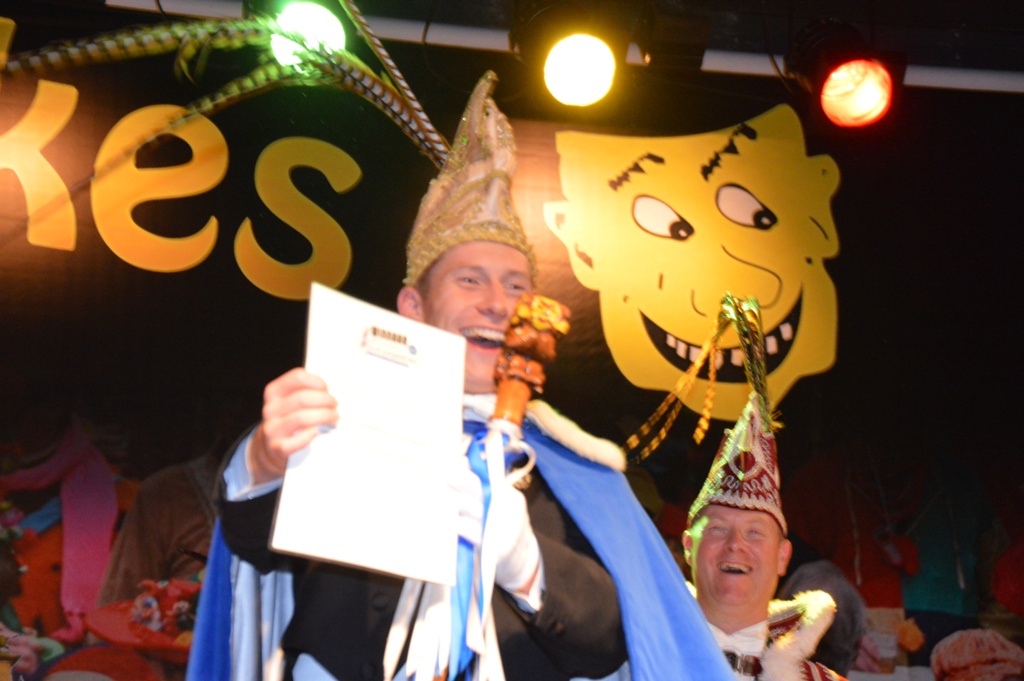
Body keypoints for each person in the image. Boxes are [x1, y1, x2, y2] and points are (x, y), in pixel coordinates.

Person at [186, 72, 733, 681]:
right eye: (470, 280)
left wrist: (527, 563)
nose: (497, 304)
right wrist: (265, 460)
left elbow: (623, 635)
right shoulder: (345, 416)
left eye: (516, 286)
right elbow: (254, 543)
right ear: (413, 308)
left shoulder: (580, 469)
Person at [682, 392, 848, 681]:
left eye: (754, 532)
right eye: (717, 528)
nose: (736, 544)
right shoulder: (629, 664)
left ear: (783, 556)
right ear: (688, 546)